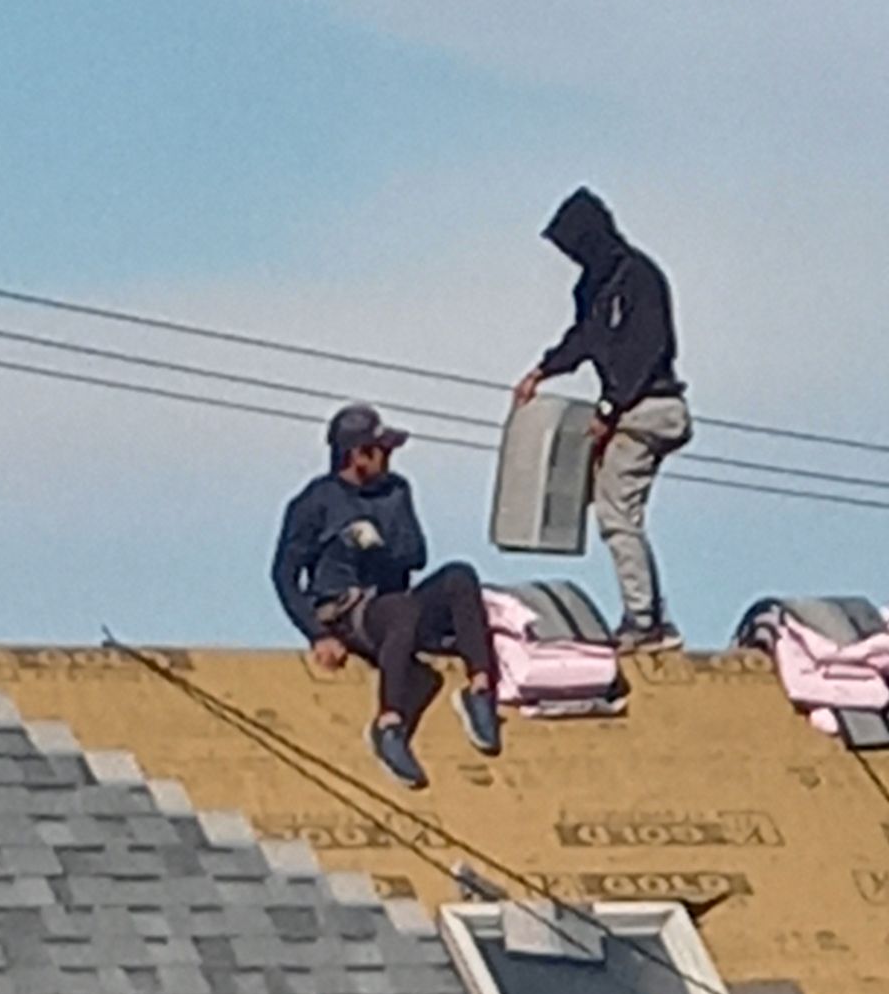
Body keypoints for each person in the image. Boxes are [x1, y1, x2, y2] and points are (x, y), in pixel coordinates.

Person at [270, 405, 501, 789]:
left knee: (460, 576)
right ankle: (389, 724)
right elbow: (284, 575)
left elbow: (417, 555)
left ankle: (479, 689)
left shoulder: (397, 491)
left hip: (399, 611)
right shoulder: (315, 502)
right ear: (356, 455)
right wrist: (317, 634)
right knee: (400, 609)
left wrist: (380, 546)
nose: (388, 457)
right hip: (349, 613)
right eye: (381, 450)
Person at [515, 191, 689, 653]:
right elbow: (585, 338)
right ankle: (649, 612)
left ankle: (644, 621)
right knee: (615, 505)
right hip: (630, 406)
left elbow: (645, 348)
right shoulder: (592, 287)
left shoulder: (640, 278)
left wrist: (610, 408)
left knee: (617, 513)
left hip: (650, 406)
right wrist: (544, 369)